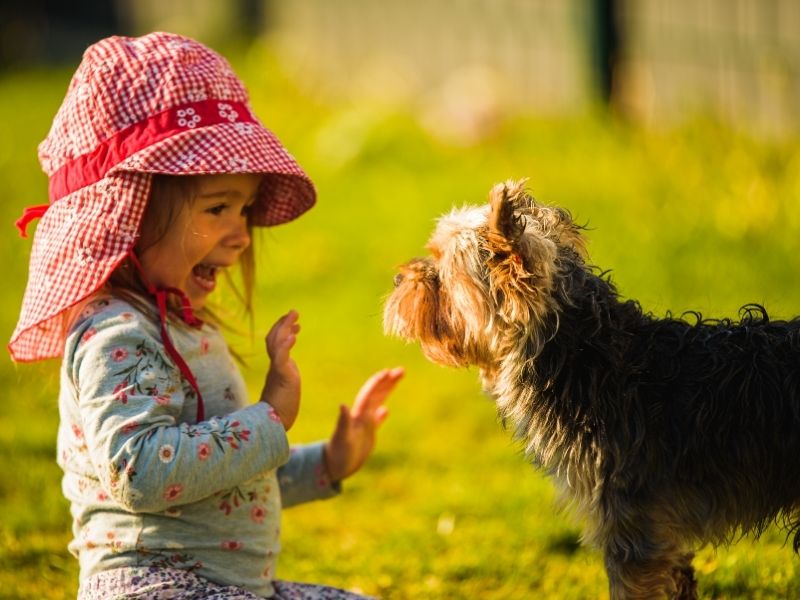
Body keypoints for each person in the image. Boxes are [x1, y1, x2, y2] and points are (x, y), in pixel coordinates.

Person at [9, 32, 403, 599]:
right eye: (217, 208)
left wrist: (330, 463)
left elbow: (221, 475)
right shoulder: (115, 335)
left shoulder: (185, 327)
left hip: (223, 586)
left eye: (244, 208)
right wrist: (269, 417)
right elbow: (141, 474)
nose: (242, 234)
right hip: (154, 586)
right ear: (132, 210)